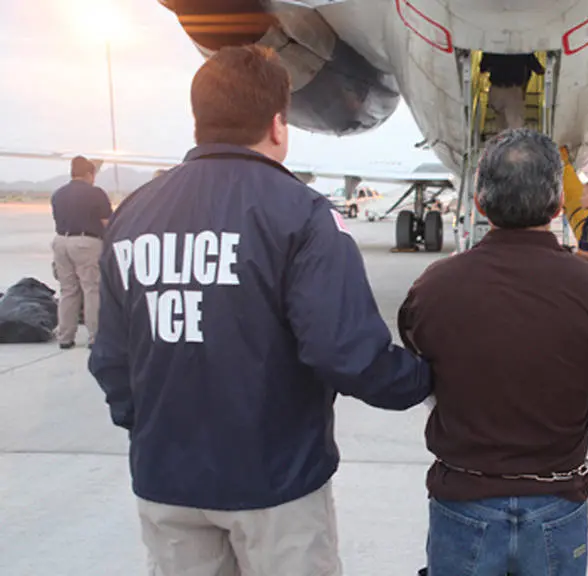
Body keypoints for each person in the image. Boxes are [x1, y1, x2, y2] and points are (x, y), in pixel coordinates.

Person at [88, 45, 431, 576]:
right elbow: (343, 350)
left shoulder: (134, 215)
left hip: (166, 480)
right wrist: (422, 380)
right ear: (278, 124)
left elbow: (110, 354)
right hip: (274, 484)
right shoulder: (302, 215)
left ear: (199, 121)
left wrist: (147, 427)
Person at [399, 128, 588, 576]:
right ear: (555, 208)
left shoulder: (433, 287)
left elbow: (423, 380)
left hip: (464, 496)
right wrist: (573, 427)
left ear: (479, 205)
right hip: (557, 499)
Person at [50, 155, 112, 349]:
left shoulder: (58, 194)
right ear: (88, 174)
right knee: (91, 289)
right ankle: (95, 337)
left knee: (68, 290)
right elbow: (107, 223)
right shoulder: (96, 193)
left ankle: (65, 337)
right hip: (86, 243)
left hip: (61, 242)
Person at [480, 52, 545, 131]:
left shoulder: (494, 47)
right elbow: (539, 70)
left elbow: (483, 68)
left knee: (501, 125)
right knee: (516, 127)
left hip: (496, 90)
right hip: (513, 91)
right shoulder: (522, 49)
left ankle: (503, 141)